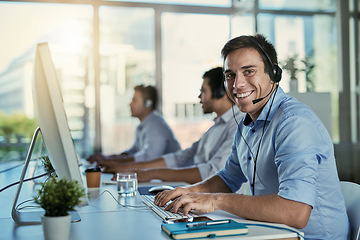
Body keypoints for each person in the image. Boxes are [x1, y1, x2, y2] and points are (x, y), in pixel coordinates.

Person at [154, 34, 350, 240]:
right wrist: (189, 194)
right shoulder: (247, 125)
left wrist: (214, 200)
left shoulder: (294, 123)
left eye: (249, 71)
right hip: (273, 233)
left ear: (273, 73)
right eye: (230, 75)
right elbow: (228, 178)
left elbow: (295, 211)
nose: (237, 84)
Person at [106, 67, 244, 184]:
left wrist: (151, 173)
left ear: (221, 92)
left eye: (203, 91)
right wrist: (130, 168)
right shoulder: (217, 126)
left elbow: (213, 172)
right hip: (198, 193)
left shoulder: (237, 125)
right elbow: (181, 157)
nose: (199, 97)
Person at [87, 85, 181, 166]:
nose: (130, 104)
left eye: (134, 100)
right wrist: (108, 157)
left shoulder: (157, 126)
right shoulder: (143, 125)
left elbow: (148, 158)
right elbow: (133, 152)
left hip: (172, 181)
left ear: (148, 104)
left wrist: (112, 161)